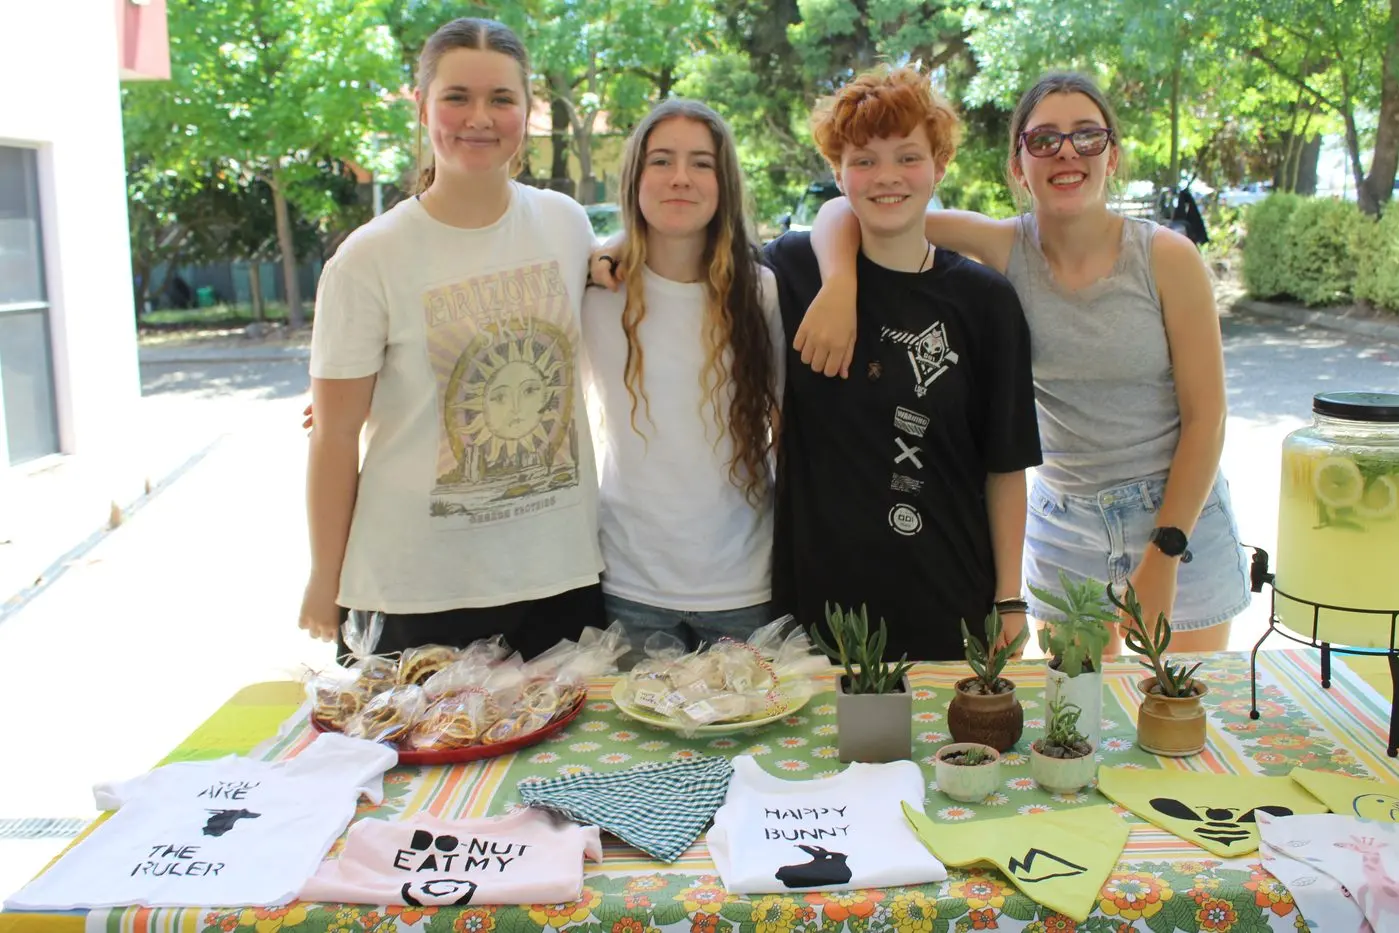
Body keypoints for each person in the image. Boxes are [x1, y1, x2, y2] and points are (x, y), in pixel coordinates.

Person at [799, 71, 1249, 651]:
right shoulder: (1004, 246)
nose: (1067, 151)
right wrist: (838, 282)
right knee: (1077, 725)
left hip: (1178, 516)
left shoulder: (1164, 256)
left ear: (1111, 156)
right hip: (1065, 525)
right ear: (1018, 166)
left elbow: (1207, 417)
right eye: (1044, 140)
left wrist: (1165, 551)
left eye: (1088, 136)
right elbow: (856, 210)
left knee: (1179, 714)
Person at [299, 17, 605, 660]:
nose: (479, 117)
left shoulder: (565, 224)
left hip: (559, 577)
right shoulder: (368, 259)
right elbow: (332, 437)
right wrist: (324, 578)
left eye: (502, 99)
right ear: (422, 106)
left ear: (528, 109)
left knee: (570, 764)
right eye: (456, 97)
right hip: (413, 591)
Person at [763, 66, 1041, 661]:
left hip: (947, 605)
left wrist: (1010, 601)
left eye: (908, 157)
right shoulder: (793, 271)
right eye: (863, 160)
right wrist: (609, 253)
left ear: (940, 166)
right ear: (838, 173)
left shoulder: (983, 301)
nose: (886, 177)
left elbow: (1006, 466)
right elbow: (690, 255)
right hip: (816, 616)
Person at [583, 99, 784, 654]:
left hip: (745, 583)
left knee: (750, 741)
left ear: (724, 184)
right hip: (629, 582)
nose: (680, 178)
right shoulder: (596, 291)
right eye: (661, 161)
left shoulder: (761, 292)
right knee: (635, 743)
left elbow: (787, 425)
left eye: (701, 163)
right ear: (634, 177)